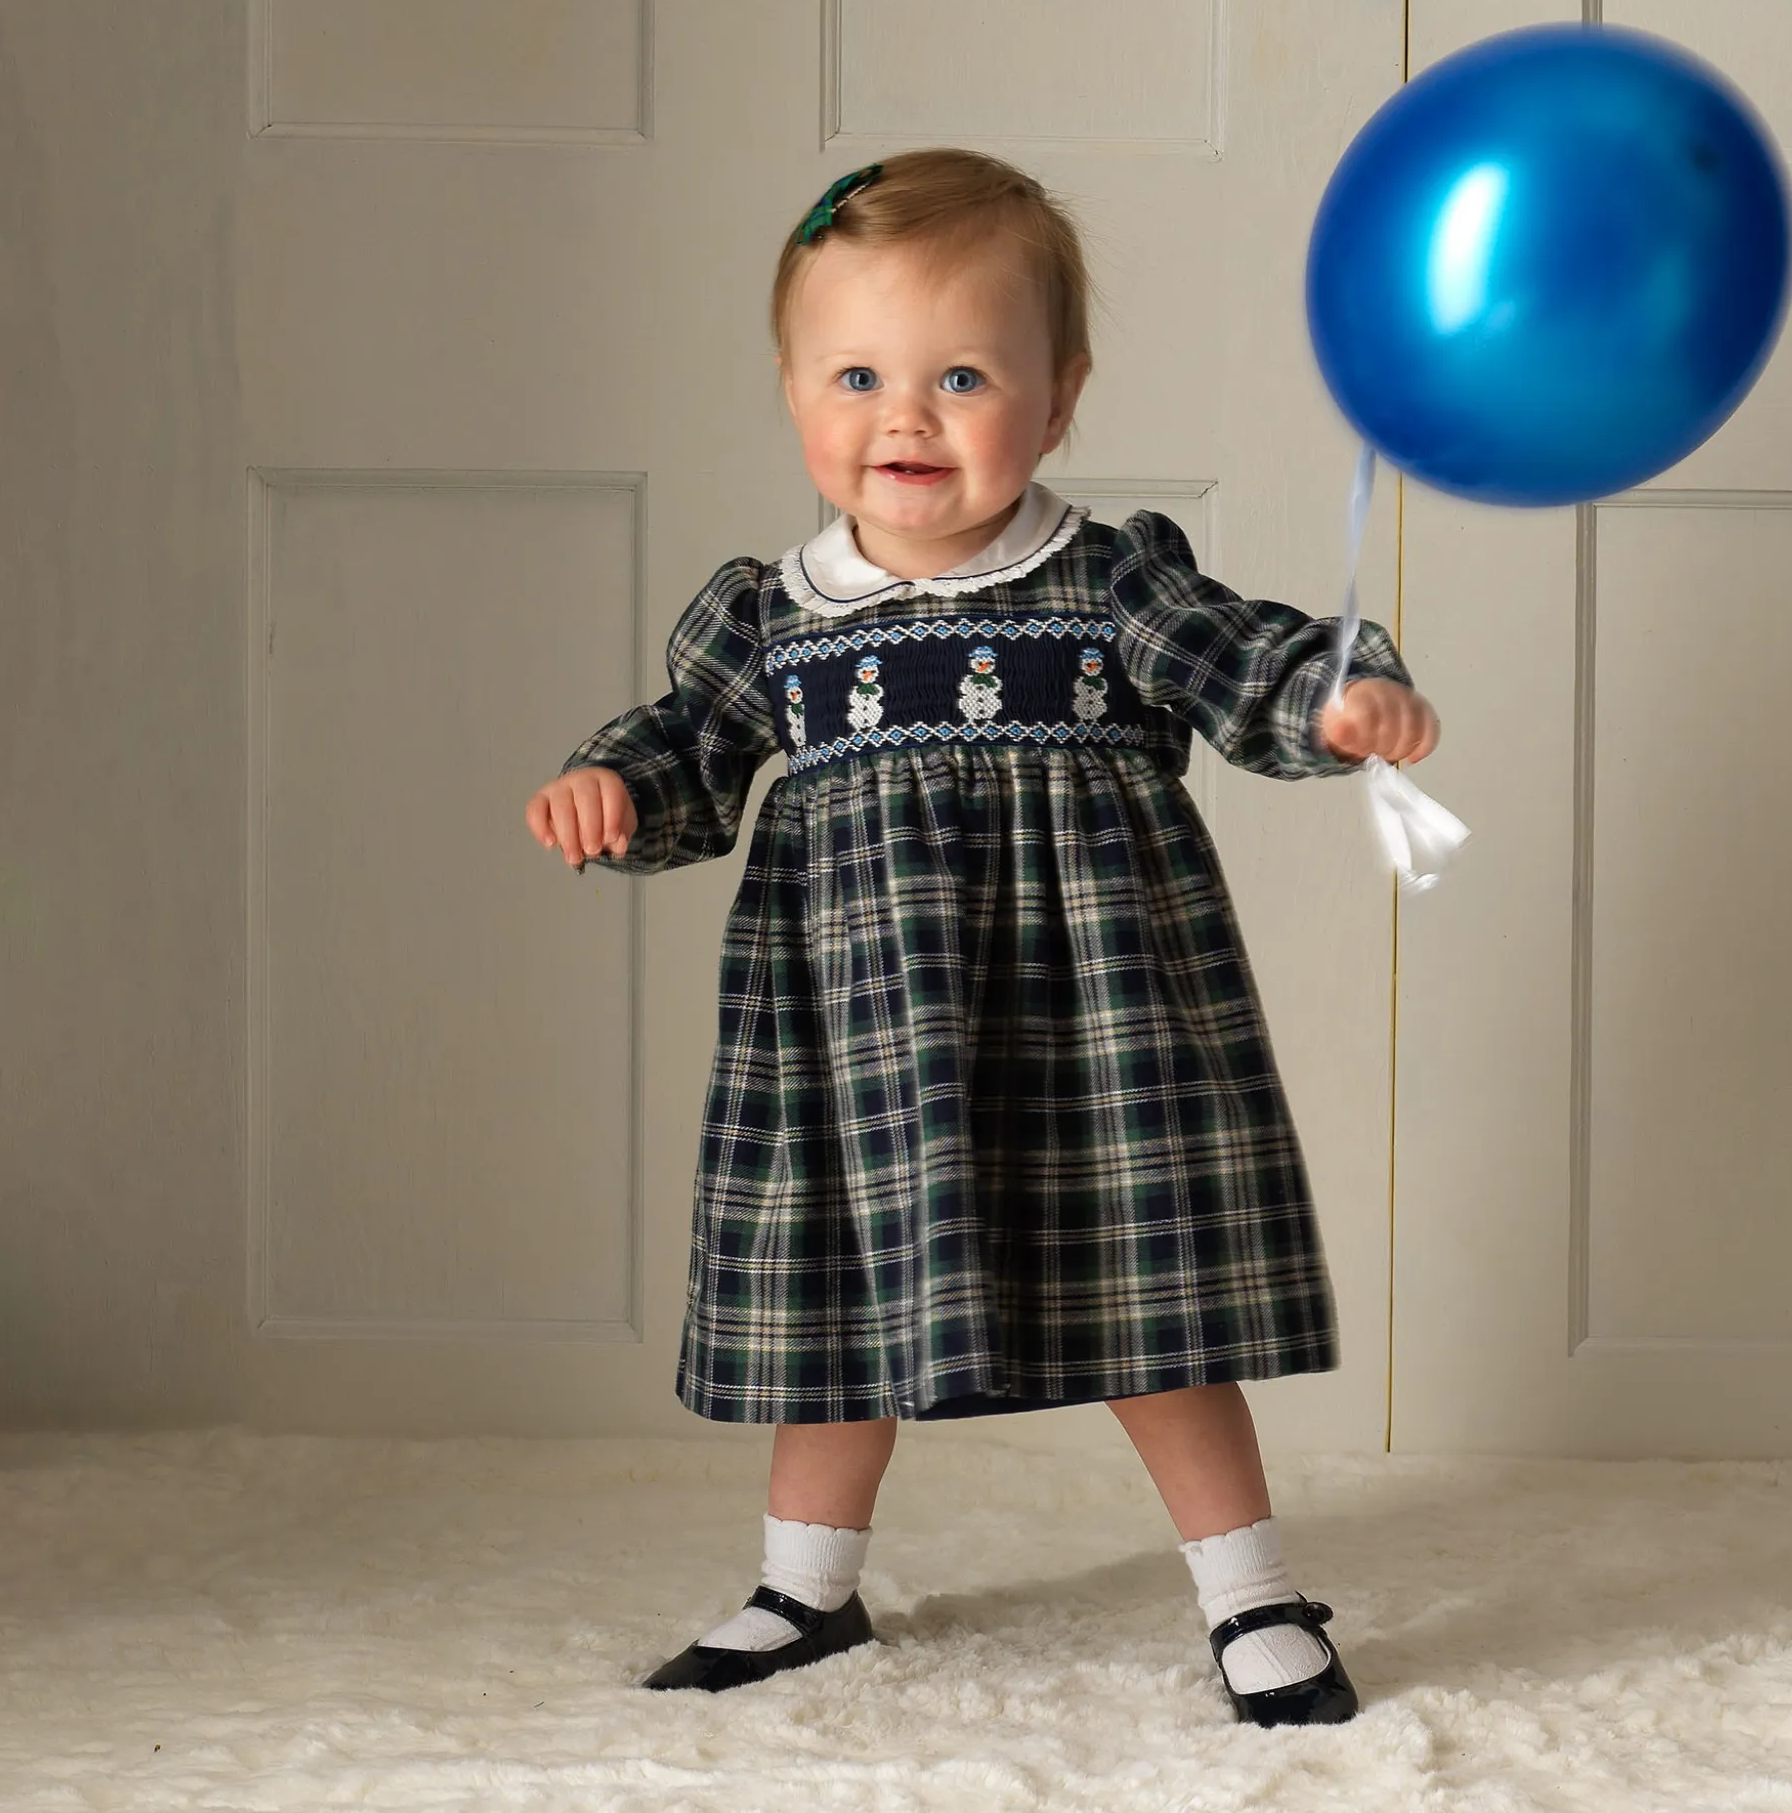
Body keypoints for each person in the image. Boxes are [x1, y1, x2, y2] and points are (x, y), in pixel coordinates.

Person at [523, 149, 1439, 1727]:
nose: (907, 418)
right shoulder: (773, 618)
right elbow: (692, 746)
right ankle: (803, 1589)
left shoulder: (1105, 585)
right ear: (792, 388)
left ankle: (1253, 1593)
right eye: (859, 375)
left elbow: (1247, 663)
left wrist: (1336, 701)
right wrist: (614, 784)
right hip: (854, 1036)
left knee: (1152, 1313)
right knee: (834, 1308)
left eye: (963, 376)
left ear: (1060, 396)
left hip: (1095, 1025)